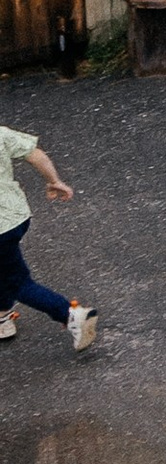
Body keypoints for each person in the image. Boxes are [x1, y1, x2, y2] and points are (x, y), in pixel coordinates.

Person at [0, 122, 98, 352]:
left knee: (18, 282)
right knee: (4, 268)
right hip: (15, 217)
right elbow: (35, 156)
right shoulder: (1, 133)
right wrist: (54, 181)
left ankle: (70, 314)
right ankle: (3, 316)